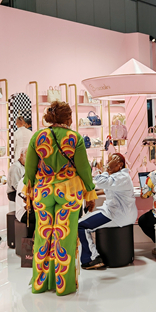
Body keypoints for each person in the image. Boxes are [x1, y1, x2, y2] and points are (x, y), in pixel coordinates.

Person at [23, 101, 97, 296]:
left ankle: (40, 283)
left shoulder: (38, 136)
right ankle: (63, 286)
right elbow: (84, 169)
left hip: (43, 191)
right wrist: (90, 194)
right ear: (69, 118)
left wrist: (28, 192)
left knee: (43, 235)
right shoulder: (75, 138)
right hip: (69, 192)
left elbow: (29, 169)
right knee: (64, 237)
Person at [77, 154, 137, 270]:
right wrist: (91, 195)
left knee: (80, 225)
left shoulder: (122, 177)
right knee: (86, 220)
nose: (107, 164)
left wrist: (105, 169)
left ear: (119, 165)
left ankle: (91, 258)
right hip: (120, 213)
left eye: (110, 162)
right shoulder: (120, 177)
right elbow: (106, 188)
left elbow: (100, 182)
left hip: (116, 215)